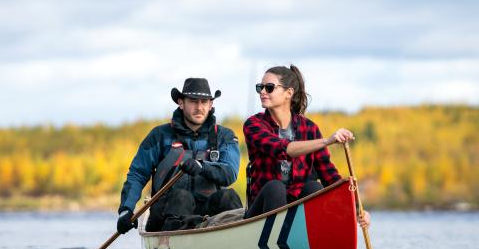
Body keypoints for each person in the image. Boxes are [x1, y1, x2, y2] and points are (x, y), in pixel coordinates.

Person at [243, 64, 370, 228]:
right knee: (276, 188)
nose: (262, 92)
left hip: (295, 207)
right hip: (262, 210)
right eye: (260, 87)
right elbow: (282, 149)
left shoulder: (309, 128)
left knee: (314, 187)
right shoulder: (253, 125)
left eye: (269, 88)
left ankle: (310, 239)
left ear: (289, 93)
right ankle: (274, 240)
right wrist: (327, 141)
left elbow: (329, 176)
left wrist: (357, 208)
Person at [116, 78, 243, 234]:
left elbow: (230, 173)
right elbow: (137, 175)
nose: (199, 107)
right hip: (167, 212)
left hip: (210, 213)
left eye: (204, 102)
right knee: (182, 197)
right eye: (193, 101)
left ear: (211, 105)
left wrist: (202, 167)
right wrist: (126, 209)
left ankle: (236, 237)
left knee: (228, 196)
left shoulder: (225, 136)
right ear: (181, 103)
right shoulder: (159, 136)